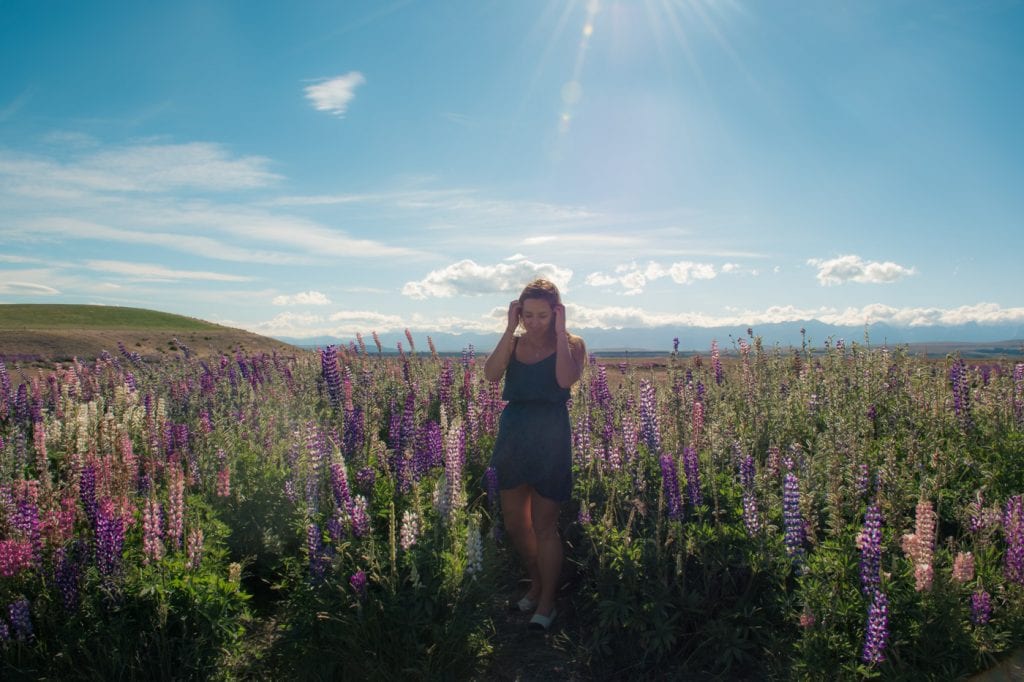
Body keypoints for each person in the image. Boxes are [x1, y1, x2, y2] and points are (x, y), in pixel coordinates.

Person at [483, 279, 586, 631]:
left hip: (551, 437)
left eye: (543, 315)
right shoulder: (513, 344)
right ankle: (536, 580)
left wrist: (559, 333)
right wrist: (509, 328)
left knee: (544, 527)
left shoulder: (572, 345)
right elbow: (490, 375)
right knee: (515, 523)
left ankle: (547, 602)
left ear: (557, 312)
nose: (534, 321)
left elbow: (563, 381)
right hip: (513, 434)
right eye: (528, 315)